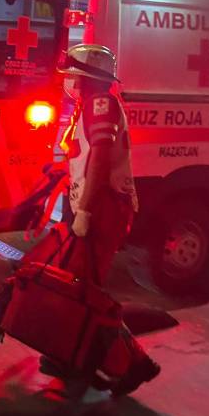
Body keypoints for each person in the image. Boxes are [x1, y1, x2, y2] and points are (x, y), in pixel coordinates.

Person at [54, 43, 160, 396]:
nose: (68, 80)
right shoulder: (89, 107)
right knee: (79, 288)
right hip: (96, 205)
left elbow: (99, 160)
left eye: (73, 75)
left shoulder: (101, 105)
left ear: (86, 79)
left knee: (89, 293)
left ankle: (135, 363)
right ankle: (76, 358)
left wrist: (84, 212)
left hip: (102, 210)